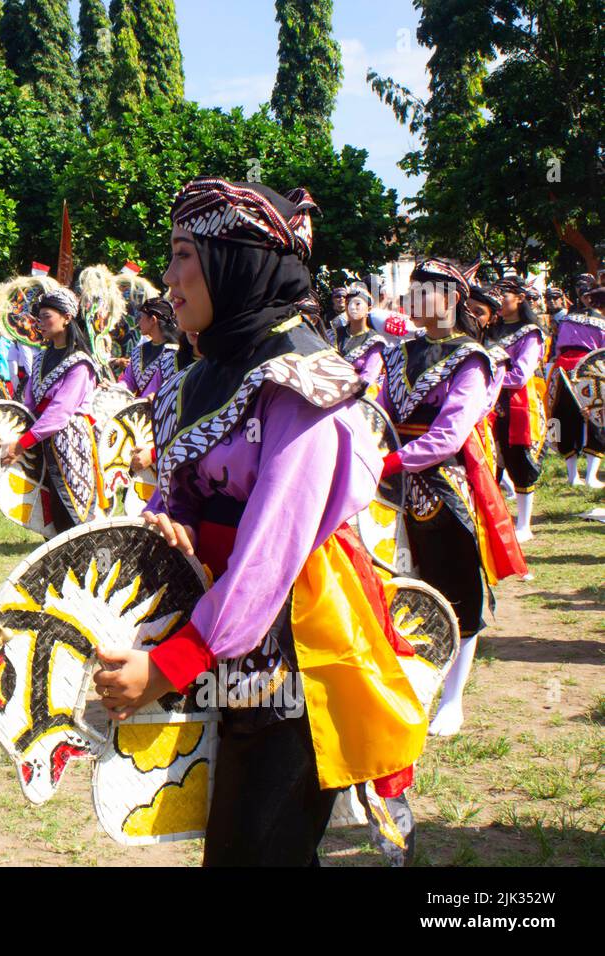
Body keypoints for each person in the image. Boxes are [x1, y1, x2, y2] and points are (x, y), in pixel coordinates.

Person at [93, 178, 424, 867]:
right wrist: (167, 524)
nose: (169, 277)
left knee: (258, 848)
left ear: (235, 260)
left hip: (295, 643)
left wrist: (171, 664)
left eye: (186, 254)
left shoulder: (302, 380)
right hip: (223, 631)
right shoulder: (203, 372)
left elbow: (272, 550)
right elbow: (178, 493)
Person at [378, 259, 528, 737]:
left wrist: (389, 462)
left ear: (452, 298)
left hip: (441, 485)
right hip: (390, 482)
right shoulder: (400, 351)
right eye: (412, 291)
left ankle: (453, 697)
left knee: (456, 586)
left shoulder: (472, 359)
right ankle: (409, 677)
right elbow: (379, 410)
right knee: (397, 578)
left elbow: (446, 437)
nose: (414, 300)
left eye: (426, 291)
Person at [0, 289, 105, 534]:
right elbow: (29, 403)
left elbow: (60, 412)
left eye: (46, 316)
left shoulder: (80, 363)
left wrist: (22, 443)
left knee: (72, 513)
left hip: (70, 442)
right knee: (49, 513)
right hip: (41, 439)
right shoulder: (41, 357)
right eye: (39, 317)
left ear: (67, 317)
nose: (40, 323)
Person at [484, 278, 547, 540]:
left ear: (519, 297)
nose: (499, 300)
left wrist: (489, 380)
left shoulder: (530, 332)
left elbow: (521, 374)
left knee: (519, 456)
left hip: (518, 401)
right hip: (491, 399)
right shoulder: (492, 330)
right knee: (491, 454)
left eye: (503, 294)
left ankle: (524, 524)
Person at [547, 279, 605, 488]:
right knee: (596, 419)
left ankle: (573, 476)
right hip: (591, 370)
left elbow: (558, 348)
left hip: (561, 370)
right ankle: (590, 476)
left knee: (564, 419)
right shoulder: (602, 322)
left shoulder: (568, 319)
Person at [333, 282, 389, 396]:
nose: (352, 307)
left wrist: (345, 393)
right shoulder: (334, 334)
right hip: (331, 390)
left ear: (368, 308)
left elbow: (368, 377)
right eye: (348, 303)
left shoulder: (375, 341)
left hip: (359, 395)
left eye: (357, 304)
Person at [118, 298, 176, 399]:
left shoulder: (174, 354)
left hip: (160, 412)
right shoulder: (138, 351)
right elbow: (128, 381)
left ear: (153, 320)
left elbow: (175, 389)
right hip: (138, 412)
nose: (138, 322)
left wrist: (158, 397)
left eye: (141, 317)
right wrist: (114, 388)